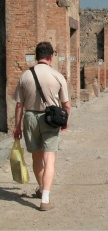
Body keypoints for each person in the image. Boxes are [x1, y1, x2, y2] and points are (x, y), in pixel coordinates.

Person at [13, 42, 71, 211]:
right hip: (50, 118)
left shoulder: (25, 76)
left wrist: (17, 127)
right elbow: (66, 105)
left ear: (36, 56)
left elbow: (19, 105)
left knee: (37, 158)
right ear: (51, 56)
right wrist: (65, 121)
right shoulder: (57, 76)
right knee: (49, 158)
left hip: (30, 117)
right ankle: (45, 198)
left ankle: (40, 187)